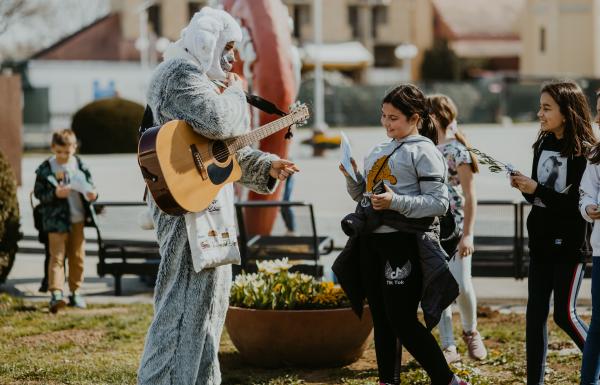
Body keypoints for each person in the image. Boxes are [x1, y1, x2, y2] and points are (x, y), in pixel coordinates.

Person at [136, 7, 298, 385]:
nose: (232, 58)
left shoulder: (206, 81)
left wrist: (266, 167)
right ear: (205, 43)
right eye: (227, 47)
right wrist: (238, 94)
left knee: (210, 306)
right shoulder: (178, 74)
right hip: (182, 206)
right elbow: (218, 121)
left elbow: (220, 150)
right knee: (181, 307)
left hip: (206, 201)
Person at [336, 84, 469, 385]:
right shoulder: (378, 150)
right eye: (383, 116)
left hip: (404, 244)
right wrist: (352, 178)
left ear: (416, 117)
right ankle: (388, 380)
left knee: (403, 320)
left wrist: (396, 201)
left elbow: (440, 203)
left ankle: (447, 380)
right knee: (381, 319)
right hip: (372, 243)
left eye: (393, 117)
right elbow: (365, 198)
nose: (386, 123)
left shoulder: (424, 152)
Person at [510, 81, 596, 385]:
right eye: (540, 107)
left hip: (571, 244)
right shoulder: (543, 144)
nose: (539, 114)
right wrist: (526, 189)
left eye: (547, 108)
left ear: (566, 111)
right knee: (534, 317)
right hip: (541, 241)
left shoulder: (586, 154)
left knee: (564, 314)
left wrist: (537, 189)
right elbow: (541, 197)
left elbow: (575, 205)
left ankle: (596, 364)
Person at [429, 94, 487, 363]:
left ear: (439, 116)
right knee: (440, 287)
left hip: (458, 229)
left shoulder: (457, 151)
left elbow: (470, 194)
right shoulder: (424, 148)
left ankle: (471, 332)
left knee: (462, 284)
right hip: (432, 228)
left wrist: (468, 235)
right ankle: (448, 345)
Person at [33, 128, 98, 313]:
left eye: (67, 152)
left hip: (78, 219)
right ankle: (56, 294)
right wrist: (54, 193)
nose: (63, 156)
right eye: (59, 152)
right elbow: (38, 193)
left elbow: (90, 186)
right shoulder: (46, 168)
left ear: (74, 148)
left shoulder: (79, 165)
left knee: (77, 258)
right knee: (57, 257)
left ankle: (76, 292)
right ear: (53, 147)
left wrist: (93, 194)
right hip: (55, 221)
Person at [579, 88, 600, 385]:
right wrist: (588, 207)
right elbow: (586, 192)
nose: (598, 117)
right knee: (598, 323)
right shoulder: (596, 154)